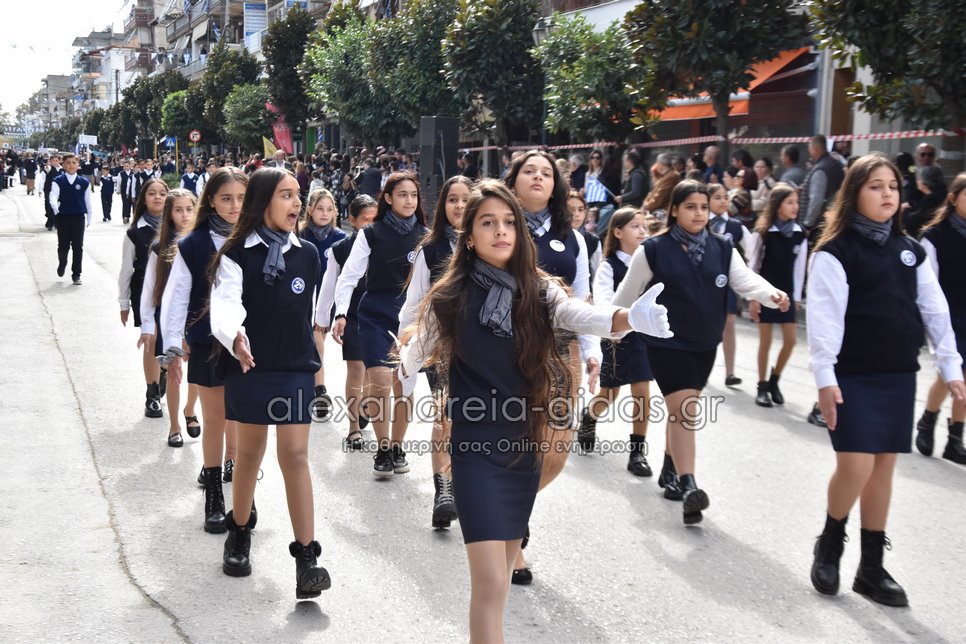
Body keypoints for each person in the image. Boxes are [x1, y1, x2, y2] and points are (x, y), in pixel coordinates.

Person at [398, 179, 671, 643]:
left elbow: (581, 315)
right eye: (488, 223)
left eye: (509, 222)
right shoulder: (450, 296)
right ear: (469, 236)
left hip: (525, 447)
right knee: (488, 584)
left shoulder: (540, 290)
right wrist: (405, 364)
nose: (501, 231)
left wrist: (629, 319)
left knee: (501, 583)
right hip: (474, 451)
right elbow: (415, 349)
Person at [806, 154, 965, 607]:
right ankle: (830, 542)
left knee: (882, 468)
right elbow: (823, 319)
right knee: (856, 465)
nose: (887, 194)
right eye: (875, 186)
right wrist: (824, 378)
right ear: (854, 193)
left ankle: (871, 569)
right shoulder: (835, 252)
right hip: (852, 375)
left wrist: (950, 365)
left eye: (893, 186)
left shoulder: (911, 250)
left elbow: (934, 308)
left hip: (897, 373)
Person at [613, 180, 789, 524]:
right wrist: (611, 328)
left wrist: (771, 295)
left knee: (681, 412)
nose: (699, 214)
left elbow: (745, 280)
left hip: (705, 344)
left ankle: (670, 467)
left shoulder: (722, 248)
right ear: (674, 210)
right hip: (666, 344)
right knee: (685, 411)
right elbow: (626, 293)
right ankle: (689, 485)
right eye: (691, 207)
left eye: (704, 208)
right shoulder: (653, 250)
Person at [208, 167, 331, 599]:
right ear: (263, 202)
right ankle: (239, 531)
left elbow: (307, 314)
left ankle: (306, 558)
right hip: (250, 366)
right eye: (286, 195)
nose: (296, 203)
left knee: (295, 455)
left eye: (298, 194)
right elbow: (225, 306)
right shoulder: (235, 253)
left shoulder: (308, 255)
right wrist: (236, 338)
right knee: (248, 454)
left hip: (295, 367)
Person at [503, 150, 600, 584]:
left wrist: (593, 350)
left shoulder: (572, 237)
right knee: (516, 444)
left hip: (561, 354)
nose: (539, 177)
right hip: (507, 349)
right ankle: (510, 535)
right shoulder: (499, 226)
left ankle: (509, 509)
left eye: (546, 173)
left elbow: (582, 298)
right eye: (529, 171)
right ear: (514, 180)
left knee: (556, 454)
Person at [161, 167, 248, 531]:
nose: (234, 206)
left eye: (241, 198)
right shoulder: (193, 244)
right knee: (214, 418)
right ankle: (214, 493)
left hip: (249, 343)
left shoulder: (258, 237)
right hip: (207, 341)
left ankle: (242, 487)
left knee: (243, 417)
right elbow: (177, 296)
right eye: (226, 198)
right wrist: (171, 344)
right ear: (211, 200)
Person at [332, 172, 427, 477]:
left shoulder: (427, 236)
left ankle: (397, 447)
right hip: (374, 314)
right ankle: (383, 448)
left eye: (413, 195)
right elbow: (349, 276)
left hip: (410, 319)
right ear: (388, 198)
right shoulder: (371, 233)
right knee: (380, 382)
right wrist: (340, 313)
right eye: (402, 195)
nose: (409, 201)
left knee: (404, 384)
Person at [399, 175, 473, 528]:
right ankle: (443, 490)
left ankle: (477, 490)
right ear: (443, 206)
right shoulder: (429, 250)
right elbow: (414, 303)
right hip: (441, 347)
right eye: (452, 199)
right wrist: (406, 347)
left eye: (466, 199)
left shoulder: (493, 243)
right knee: (445, 415)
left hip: (485, 348)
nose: (459, 206)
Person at [578, 207, 654, 477]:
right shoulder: (609, 265)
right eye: (635, 226)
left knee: (642, 392)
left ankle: (637, 452)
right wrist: (613, 328)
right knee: (610, 393)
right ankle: (590, 416)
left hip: (644, 336)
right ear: (618, 232)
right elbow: (602, 299)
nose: (642, 231)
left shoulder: (650, 263)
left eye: (644, 226)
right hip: (616, 336)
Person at [315, 195, 378, 450]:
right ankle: (353, 429)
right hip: (351, 315)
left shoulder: (385, 244)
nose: (371, 225)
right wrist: (322, 318)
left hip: (379, 316)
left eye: (375, 219)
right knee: (356, 370)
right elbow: (330, 284)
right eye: (366, 220)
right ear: (352, 220)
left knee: (374, 372)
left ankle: (366, 405)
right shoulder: (340, 249)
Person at [139, 189, 201, 446]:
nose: (185, 215)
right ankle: (174, 425)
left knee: (197, 371)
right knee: (174, 370)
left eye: (189, 209)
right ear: (169, 214)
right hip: (169, 317)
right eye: (178, 210)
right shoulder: (159, 248)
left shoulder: (203, 243)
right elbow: (149, 288)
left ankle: (190, 408)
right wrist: (147, 324)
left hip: (196, 316)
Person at [914, 173, 966, 465]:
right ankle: (928, 420)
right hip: (947, 314)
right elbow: (927, 284)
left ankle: (955, 439)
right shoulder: (934, 236)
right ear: (953, 198)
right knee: (950, 375)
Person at [747, 184, 807, 407]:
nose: (795, 207)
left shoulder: (800, 234)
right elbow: (753, 267)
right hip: (765, 293)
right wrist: (753, 299)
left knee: (790, 341)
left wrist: (797, 297)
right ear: (777, 204)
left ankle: (775, 379)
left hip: (787, 295)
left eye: (796, 202)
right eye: (789, 202)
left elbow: (799, 269)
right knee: (766, 341)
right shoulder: (763, 233)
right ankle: (762, 386)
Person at [119, 177, 169, 417]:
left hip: (174, 292)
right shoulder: (134, 233)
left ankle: (163, 369)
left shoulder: (180, 227)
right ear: (143, 199)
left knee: (168, 341)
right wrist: (123, 302)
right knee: (151, 339)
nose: (157, 197)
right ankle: (152, 394)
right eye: (152, 193)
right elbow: (126, 269)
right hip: (144, 293)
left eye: (162, 193)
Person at [299, 188, 346, 419]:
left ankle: (318, 388)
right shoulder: (299, 234)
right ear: (309, 210)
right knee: (309, 342)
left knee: (318, 341)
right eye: (320, 208)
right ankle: (315, 387)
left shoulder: (339, 237)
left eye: (329, 209)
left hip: (326, 299)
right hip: (301, 295)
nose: (325, 213)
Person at [708, 183, 752, 387]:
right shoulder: (700, 223)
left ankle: (730, 372)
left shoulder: (736, 226)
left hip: (727, 282)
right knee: (704, 325)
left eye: (726, 197)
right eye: (717, 197)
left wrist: (747, 279)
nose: (723, 201)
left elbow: (752, 252)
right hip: (703, 281)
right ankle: (701, 367)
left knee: (729, 324)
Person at [50, 153, 91, 284]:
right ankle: (62, 262)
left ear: (78, 165)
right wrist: (54, 205)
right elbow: (53, 195)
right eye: (68, 163)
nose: (71, 165)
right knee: (63, 245)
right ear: (63, 165)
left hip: (78, 217)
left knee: (78, 246)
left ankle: (76, 274)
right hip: (63, 217)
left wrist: (90, 216)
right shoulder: (58, 181)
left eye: (74, 163)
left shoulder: (84, 183)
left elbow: (87, 201)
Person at [800, 135, 846, 234]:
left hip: (820, 226)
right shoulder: (835, 164)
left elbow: (816, 200)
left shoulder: (820, 169)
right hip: (834, 221)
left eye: (809, 149)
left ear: (814, 150)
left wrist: (807, 225)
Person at [903, 165, 947, 239]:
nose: (917, 181)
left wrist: (905, 212)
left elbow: (914, 220)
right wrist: (910, 204)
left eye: (918, 178)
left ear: (924, 182)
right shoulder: (941, 194)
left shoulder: (933, 199)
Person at [567, 191, 602, 278]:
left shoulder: (593, 240)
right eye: (571, 209)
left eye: (581, 210)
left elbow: (596, 273)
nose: (576, 214)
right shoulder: (552, 236)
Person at [43, 154, 63, 231]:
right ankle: (50, 221)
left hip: (59, 190)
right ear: (50, 161)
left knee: (56, 206)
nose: (55, 162)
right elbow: (47, 169)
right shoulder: (50, 168)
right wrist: (48, 164)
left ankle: (55, 222)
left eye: (56, 160)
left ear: (59, 161)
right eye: (53, 161)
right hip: (49, 190)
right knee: (49, 205)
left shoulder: (62, 169)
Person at [118, 159, 139, 225]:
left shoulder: (133, 173)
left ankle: (134, 217)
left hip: (132, 191)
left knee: (133, 204)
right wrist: (118, 190)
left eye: (127, 166)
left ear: (130, 166)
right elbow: (119, 182)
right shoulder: (121, 173)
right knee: (125, 204)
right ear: (123, 167)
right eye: (125, 166)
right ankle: (125, 216)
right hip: (124, 191)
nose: (126, 167)